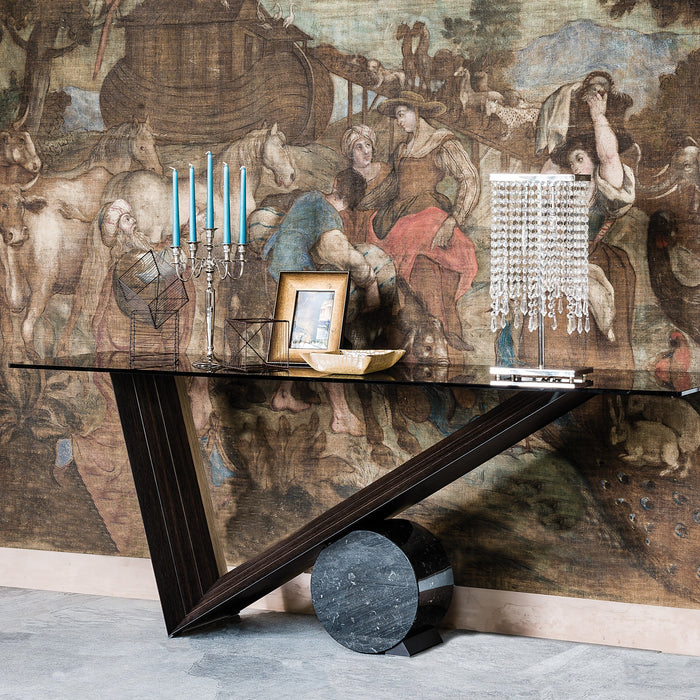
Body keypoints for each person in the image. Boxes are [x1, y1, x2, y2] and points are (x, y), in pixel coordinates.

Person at [520, 87, 637, 370]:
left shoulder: (605, 187)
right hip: (559, 262)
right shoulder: (566, 190)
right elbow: (545, 180)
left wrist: (598, 117)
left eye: (580, 159)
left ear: (594, 159)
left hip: (593, 259)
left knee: (590, 313)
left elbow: (610, 157)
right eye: (571, 162)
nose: (574, 168)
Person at [362, 91, 480, 349]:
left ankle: (447, 330)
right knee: (408, 275)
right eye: (396, 117)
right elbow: (391, 186)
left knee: (439, 264)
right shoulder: (403, 149)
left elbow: (470, 179)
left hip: (427, 215)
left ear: (416, 111)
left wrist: (453, 220)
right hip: (397, 217)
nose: (399, 121)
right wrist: (362, 200)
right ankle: (420, 334)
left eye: (401, 114)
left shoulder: (442, 142)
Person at [337, 124, 391, 244]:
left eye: (368, 145)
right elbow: (341, 215)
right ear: (350, 153)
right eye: (359, 147)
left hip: (383, 232)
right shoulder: (343, 178)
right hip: (354, 236)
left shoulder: (386, 171)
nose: (366, 151)